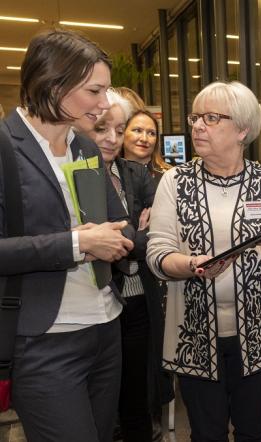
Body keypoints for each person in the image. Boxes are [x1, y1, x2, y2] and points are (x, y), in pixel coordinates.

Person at [146, 81, 261, 442]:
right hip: (194, 335)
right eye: (196, 117)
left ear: (242, 130)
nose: (198, 125)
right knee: (206, 434)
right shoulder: (174, 181)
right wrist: (190, 265)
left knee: (254, 431)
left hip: (260, 332)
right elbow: (157, 253)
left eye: (212, 118)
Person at [0, 29, 134, 442]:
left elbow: (117, 226)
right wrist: (78, 244)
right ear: (54, 83)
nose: (103, 103)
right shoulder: (5, 147)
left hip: (105, 329)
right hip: (43, 342)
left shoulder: (86, 149)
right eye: (94, 90)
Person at [85, 89, 167, 442]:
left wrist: (128, 237)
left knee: (138, 398)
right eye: (103, 129)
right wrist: (137, 231)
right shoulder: (81, 175)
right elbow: (104, 240)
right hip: (100, 301)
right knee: (102, 405)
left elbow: (159, 234)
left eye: (119, 130)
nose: (112, 139)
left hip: (139, 302)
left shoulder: (134, 172)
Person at [122, 109, 171, 182]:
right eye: (137, 130)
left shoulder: (169, 177)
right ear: (122, 133)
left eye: (151, 133)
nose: (144, 139)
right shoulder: (110, 174)